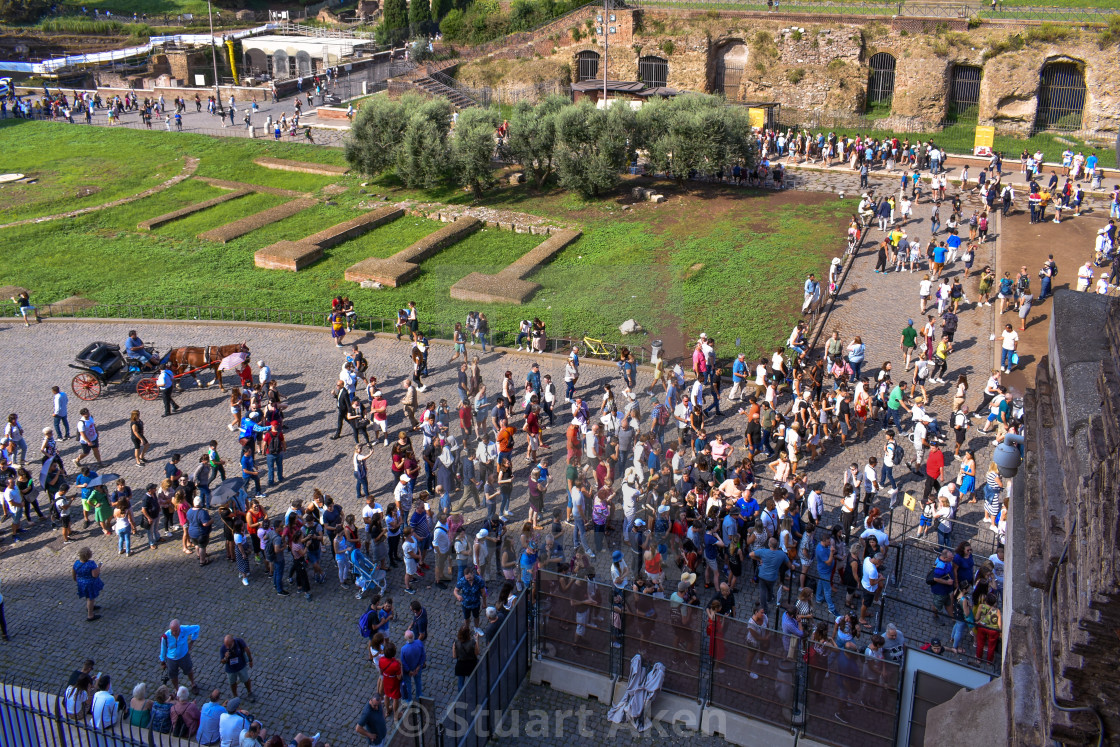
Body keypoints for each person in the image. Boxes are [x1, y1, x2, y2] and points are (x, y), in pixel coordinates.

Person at [160, 619, 201, 694]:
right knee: (173, 675)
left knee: (189, 670)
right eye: (173, 631)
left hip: (184, 656)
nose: (175, 633)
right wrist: (162, 661)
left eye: (176, 630)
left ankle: (193, 684)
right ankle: (177, 689)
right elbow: (163, 649)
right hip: (171, 658)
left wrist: (191, 642)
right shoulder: (165, 636)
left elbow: (197, 628)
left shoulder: (184, 629)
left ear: (179, 627)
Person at [72, 546, 103, 622]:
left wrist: (76, 580)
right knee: (91, 598)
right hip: (90, 584)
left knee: (88, 597)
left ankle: (89, 607)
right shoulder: (90, 564)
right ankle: (90, 615)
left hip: (81, 583)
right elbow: (94, 575)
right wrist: (98, 567)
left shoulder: (76, 563)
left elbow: (73, 573)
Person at [220, 635, 255, 700]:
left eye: (229, 645)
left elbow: (247, 650)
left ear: (233, 641)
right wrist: (225, 658)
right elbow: (222, 662)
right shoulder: (223, 648)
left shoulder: (239, 642)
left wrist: (250, 660)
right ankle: (235, 696)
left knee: (246, 679)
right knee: (232, 683)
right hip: (231, 669)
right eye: (226, 645)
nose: (227, 647)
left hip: (241, 666)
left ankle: (249, 692)